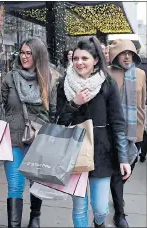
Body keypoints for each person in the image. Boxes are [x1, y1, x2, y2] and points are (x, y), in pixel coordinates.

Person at [55, 36, 132, 228]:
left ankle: (99, 223)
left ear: (96, 60)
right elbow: (58, 122)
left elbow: (117, 123)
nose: (79, 63)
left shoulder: (107, 83)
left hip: (102, 153)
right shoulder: (64, 84)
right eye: (76, 59)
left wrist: (123, 158)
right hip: (74, 151)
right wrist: (75, 103)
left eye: (85, 58)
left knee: (101, 209)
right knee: (79, 208)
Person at [0, 37, 60, 228]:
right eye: (22, 52)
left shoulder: (50, 78)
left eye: (29, 53)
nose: (24, 56)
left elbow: (53, 113)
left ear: (38, 55)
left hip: (38, 140)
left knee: (35, 184)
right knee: (15, 185)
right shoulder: (10, 77)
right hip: (13, 138)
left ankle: (35, 217)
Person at [108, 38, 146, 227]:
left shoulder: (140, 74)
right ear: (115, 55)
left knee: (127, 170)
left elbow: (142, 102)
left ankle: (117, 193)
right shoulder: (107, 74)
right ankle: (119, 214)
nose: (127, 56)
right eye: (123, 53)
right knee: (117, 172)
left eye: (130, 53)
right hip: (114, 132)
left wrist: (143, 126)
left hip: (136, 132)